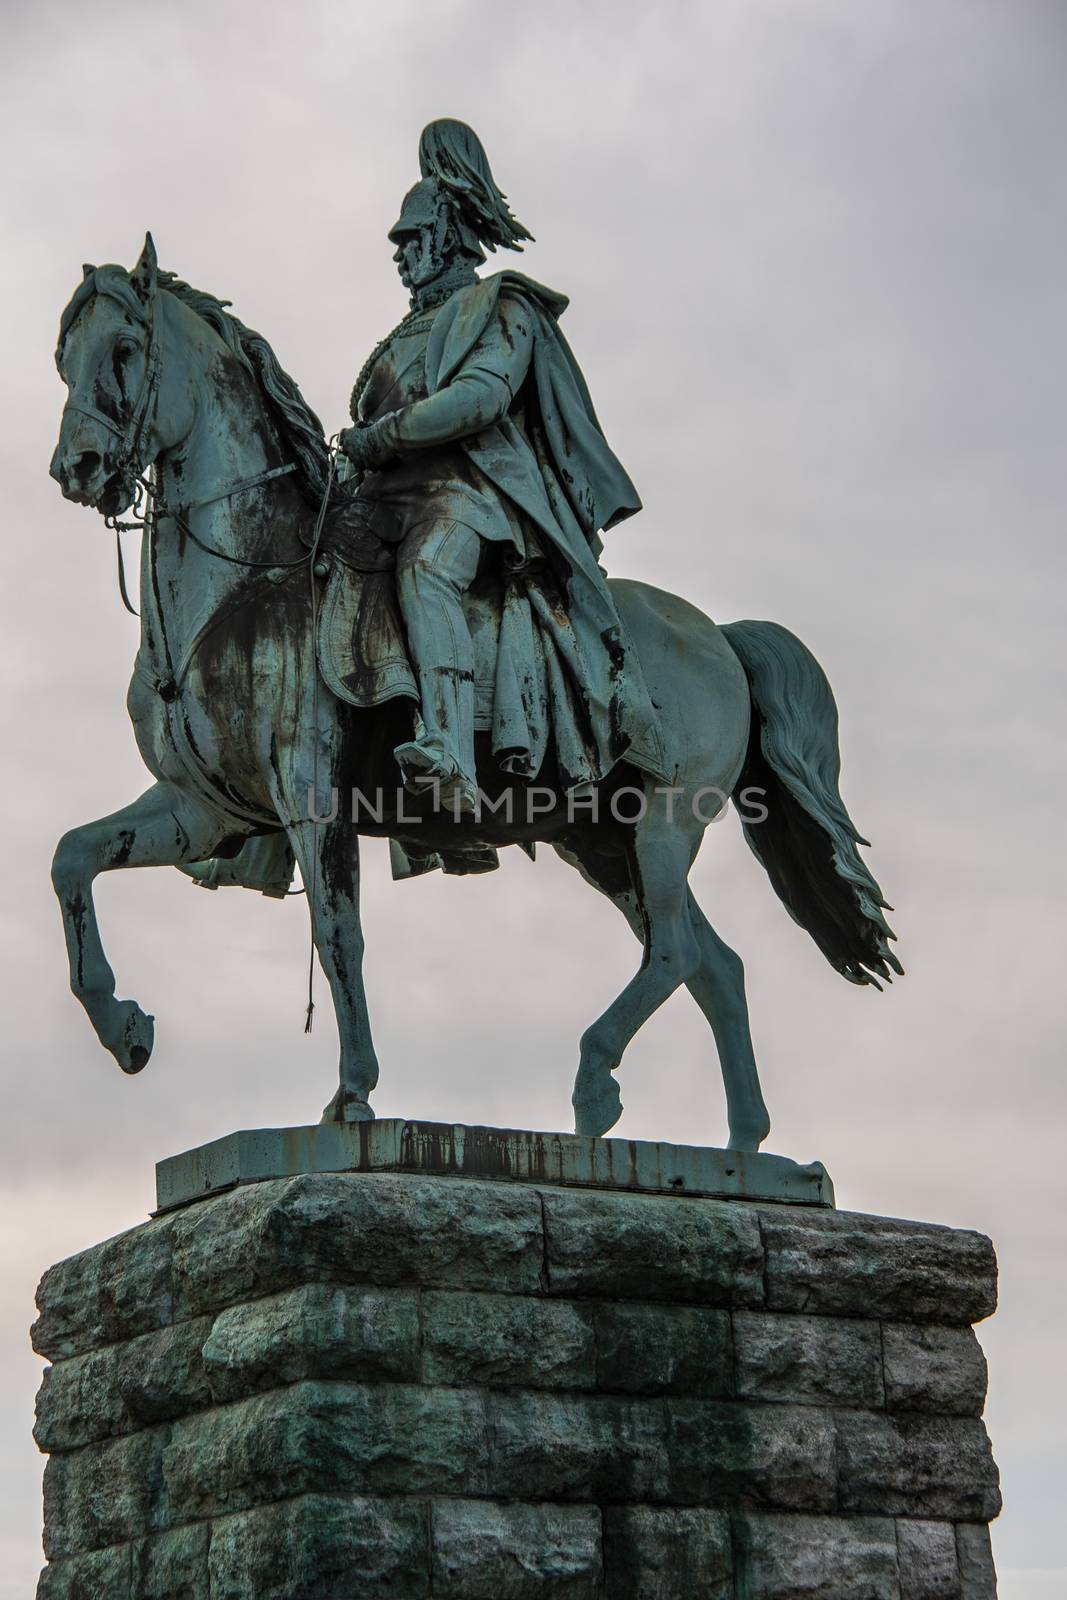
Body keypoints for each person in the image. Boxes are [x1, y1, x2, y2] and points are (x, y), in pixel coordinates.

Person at [339, 119, 663, 814]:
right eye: (396, 243)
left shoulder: (500, 304)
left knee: (427, 571)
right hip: (382, 498)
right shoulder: (401, 334)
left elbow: (481, 398)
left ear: (447, 234)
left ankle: (451, 753)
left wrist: (385, 433)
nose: (399, 256)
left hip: (468, 497)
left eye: (410, 239)